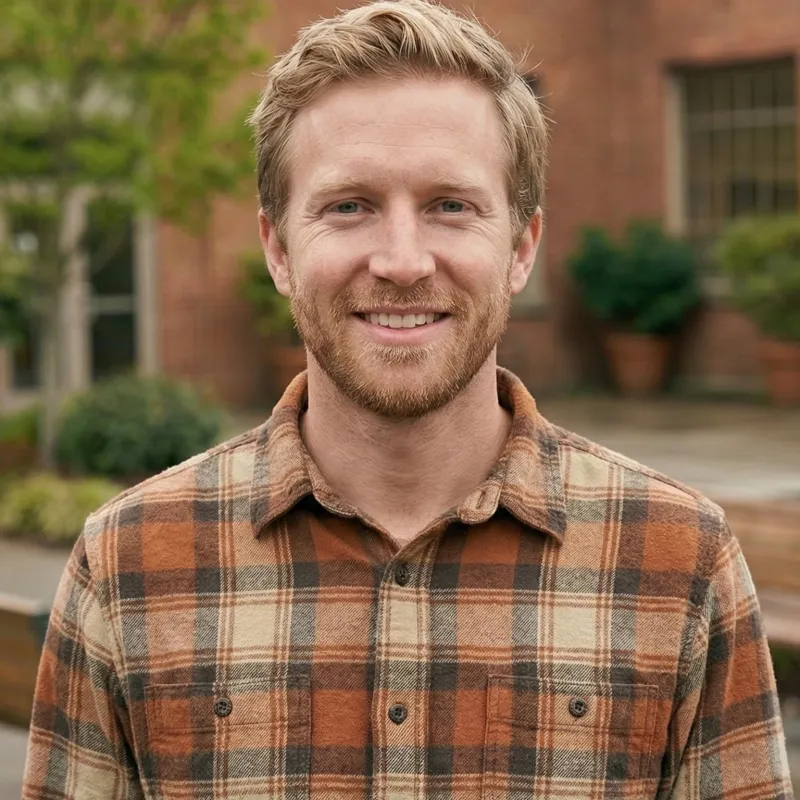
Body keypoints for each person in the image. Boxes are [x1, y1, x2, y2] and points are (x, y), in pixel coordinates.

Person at [23, 0, 793, 797]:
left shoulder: (679, 562)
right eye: (349, 205)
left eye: (450, 206)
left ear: (522, 247)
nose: (400, 260)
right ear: (279, 250)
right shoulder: (128, 565)